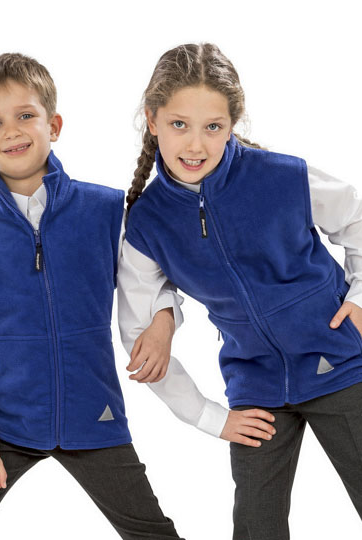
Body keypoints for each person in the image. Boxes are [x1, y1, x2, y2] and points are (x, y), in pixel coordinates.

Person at [119, 42, 362, 539]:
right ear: (152, 120)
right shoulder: (145, 224)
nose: (196, 145)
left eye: (213, 127)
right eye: (179, 124)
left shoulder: (281, 177)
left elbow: (356, 218)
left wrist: (359, 297)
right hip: (256, 389)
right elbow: (139, 332)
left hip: (340, 365)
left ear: (233, 124)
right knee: (255, 527)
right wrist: (208, 416)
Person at [0, 52, 186, 540]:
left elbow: (152, 277)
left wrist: (163, 321)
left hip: (94, 416)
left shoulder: (107, 211)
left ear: (53, 125)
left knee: (153, 533)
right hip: (5, 426)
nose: (12, 131)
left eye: (25, 115)